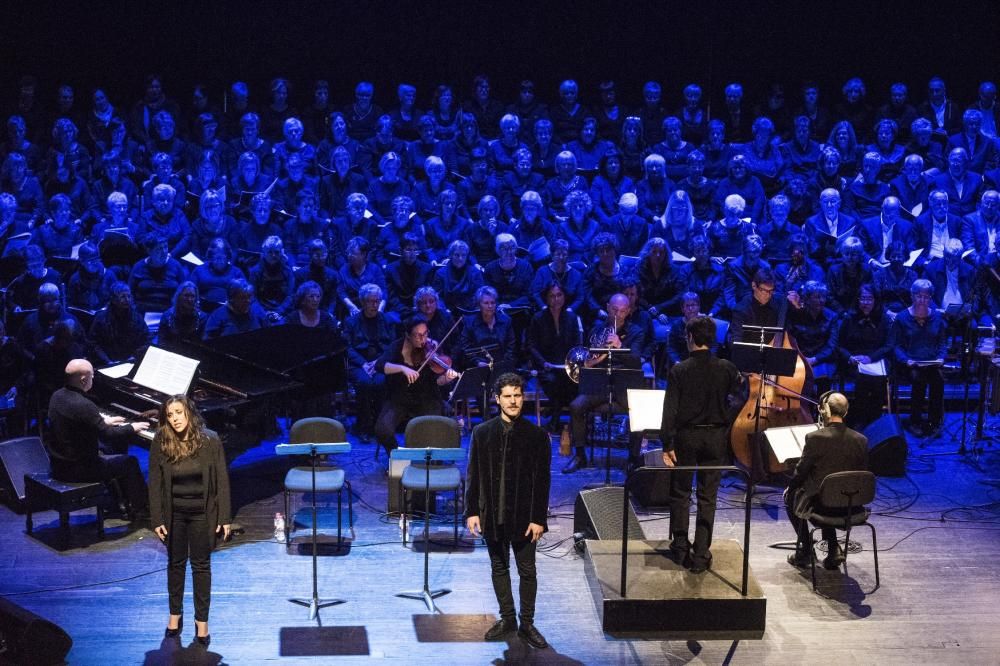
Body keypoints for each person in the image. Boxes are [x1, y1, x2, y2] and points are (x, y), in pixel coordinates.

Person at [465, 372, 551, 649]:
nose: (513, 401)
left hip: (524, 518)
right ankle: (508, 619)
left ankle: (527, 624)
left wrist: (538, 518)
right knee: (499, 567)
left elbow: (542, 480)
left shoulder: (537, 436)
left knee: (527, 570)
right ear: (497, 399)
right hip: (493, 514)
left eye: (518, 395)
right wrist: (471, 511)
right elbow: (473, 474)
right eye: (508, 396)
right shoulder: (482, 432)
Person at [661, 316, 742, 573]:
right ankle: (701, 554)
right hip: (716, 437)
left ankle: (680, 548)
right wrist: (725, 421)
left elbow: (669, 412)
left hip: (687, 437)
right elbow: (740, 397)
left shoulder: (679, 370)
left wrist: (666, 443)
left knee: (682, 493)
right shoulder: (727, 368)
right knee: (708, 496)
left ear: (691, 338)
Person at [149, 395, 231, 646]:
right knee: (175, 564)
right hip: (174, 513)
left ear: (189, 413)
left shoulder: (210, 440)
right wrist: (157, 518)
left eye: (178, 412)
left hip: (201, 513)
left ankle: (202, 621)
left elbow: (221, 480)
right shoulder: (161, 441)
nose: (174, 419)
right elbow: (155, 483)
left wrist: (224, 517)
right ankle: (175, 614)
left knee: (201, 566)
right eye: (170, 415)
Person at [44, 358, 150, 519]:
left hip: (59, 463)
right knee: (130, 462)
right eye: (92, 376)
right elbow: (109, 435)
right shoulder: (84, 404)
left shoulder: (57, 396)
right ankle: (141, 509)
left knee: (110, 451)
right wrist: (132, 427)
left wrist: (103, 421)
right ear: (83, 379)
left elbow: (77, 423)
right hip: (78, 469)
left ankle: (120, 501)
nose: (93, 379)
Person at [784, 392, 868, 570]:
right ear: (846, 412)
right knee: (828, 492)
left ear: (826, 410)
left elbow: (800, 473)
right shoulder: (861, 440)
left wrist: (792, 487)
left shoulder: (815, 438)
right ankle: (833, 548)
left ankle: (806, 551)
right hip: (852, 506)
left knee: (791, 496)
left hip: (825, 508)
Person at [372, 316, 459, 456]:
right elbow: (380, 365)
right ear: (407, 335)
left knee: (432, 427)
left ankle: (427, 457)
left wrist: (445, 379)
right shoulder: (396, 347)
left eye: (425, 334)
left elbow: (436, 382)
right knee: (382, 429)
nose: (423, 339)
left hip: (426, 397)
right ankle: (396, 455)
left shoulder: (430, 349)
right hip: (398, 398)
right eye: (418, 335)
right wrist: (402, 368)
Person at [890, 279, 948, 436]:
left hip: (931, 363)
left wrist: (941, 357)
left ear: (930, 298)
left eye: (926, 297)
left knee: (939, 380)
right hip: (910, 363)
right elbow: (895, 345)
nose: (922, 300)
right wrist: (906, 360)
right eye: (919, 296)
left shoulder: (937, 317)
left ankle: (934, 421)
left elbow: (942, 342)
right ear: (912, 296)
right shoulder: (902, 318)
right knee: (919, 379)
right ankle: (915, 420)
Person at [526, 281, 583, 432]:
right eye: (552, 296)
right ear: (546, 298)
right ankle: (555, 415)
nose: (556, 299)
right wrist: (543, 362)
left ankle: (555, 413)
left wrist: (571, 362)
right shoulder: (538, 318)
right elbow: (531, 345)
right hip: (546, 366)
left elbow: (577, 343)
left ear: (564, 297)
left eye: (559, 295)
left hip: (566, 365)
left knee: (573, 381)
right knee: (553, 381)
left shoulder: (571, 318)